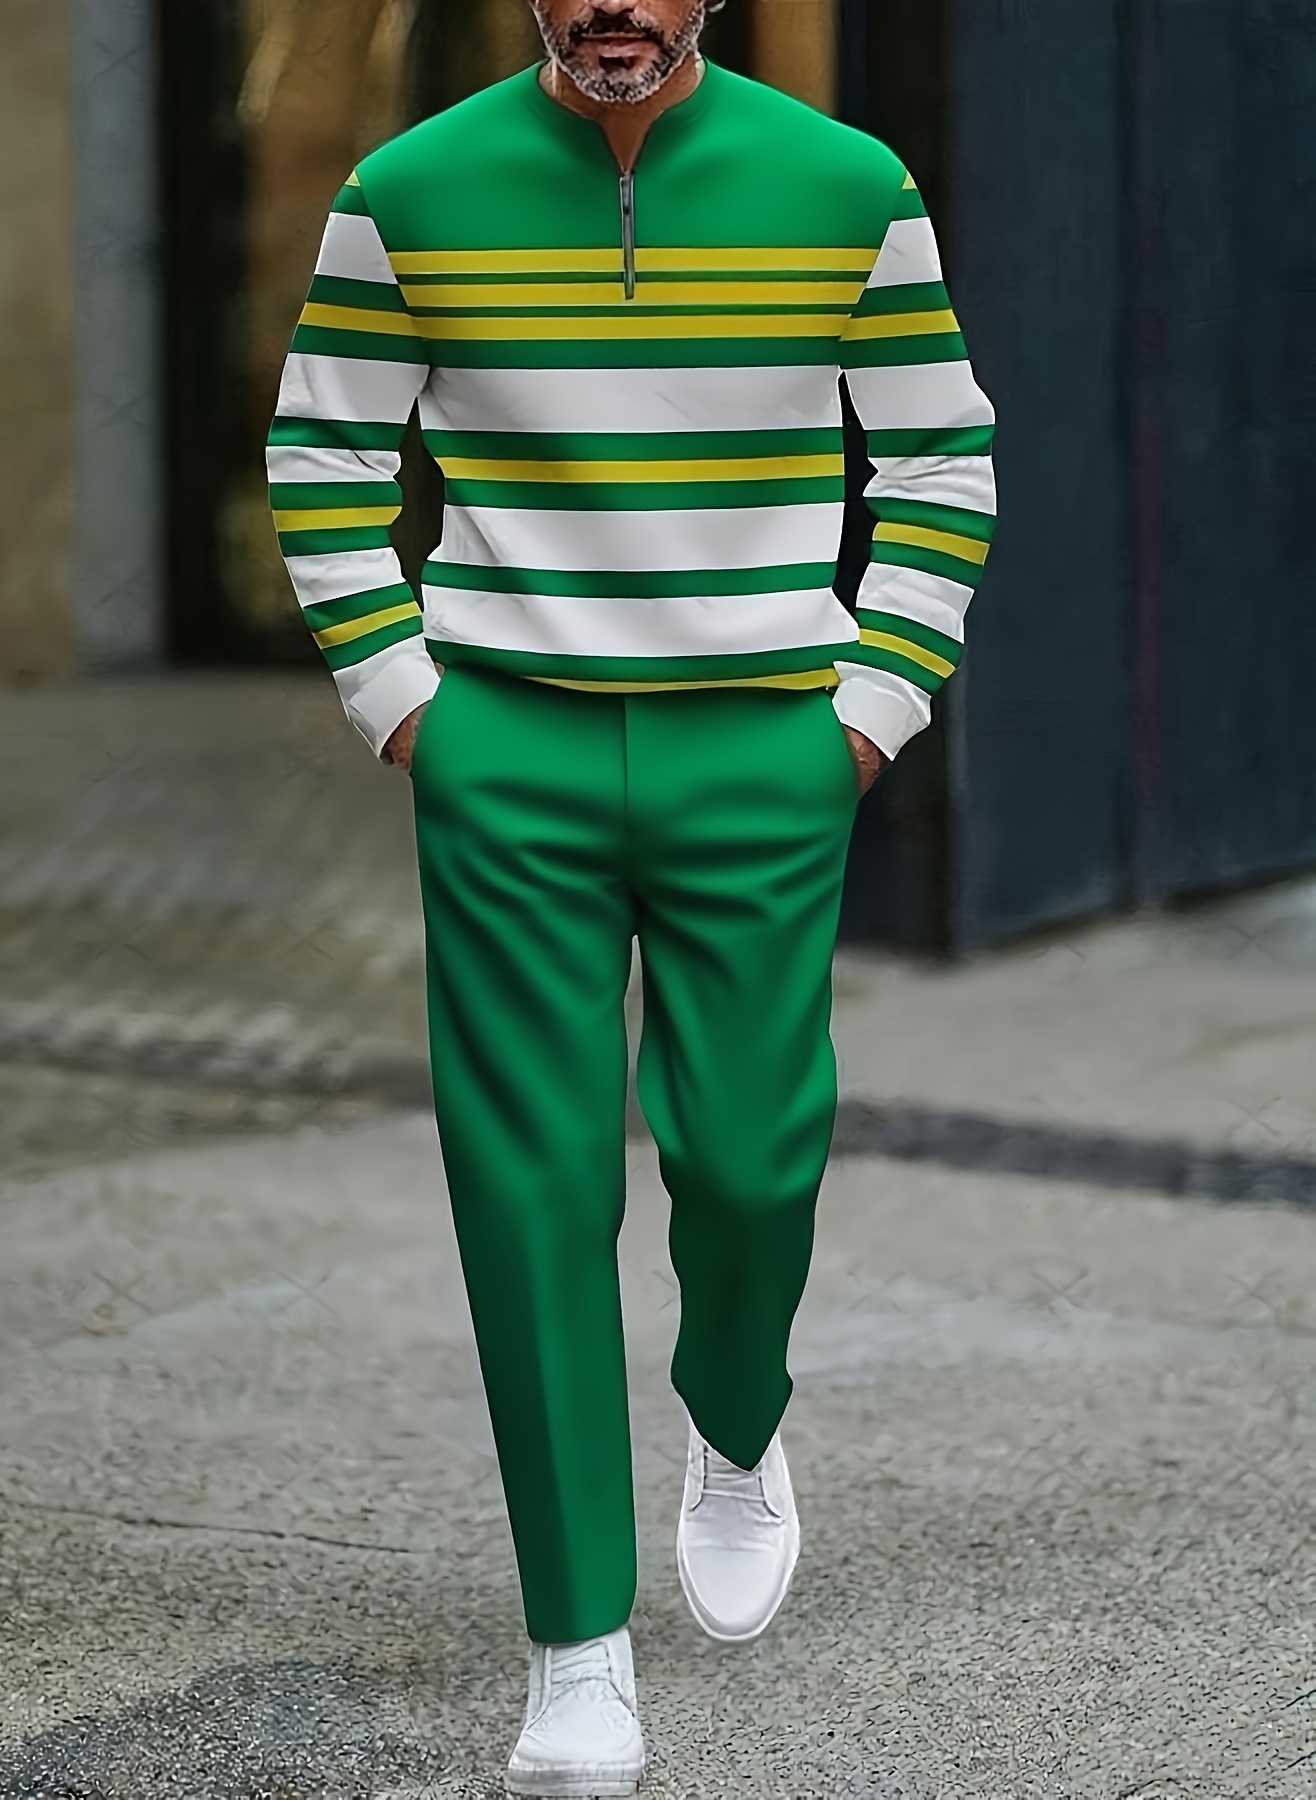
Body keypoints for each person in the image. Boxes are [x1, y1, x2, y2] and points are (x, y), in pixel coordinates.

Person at [268, 1, 995, 1791]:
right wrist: (404, 705)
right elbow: (323, 455)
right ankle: (575, 1646)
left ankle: (734, 1419)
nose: (616, 0)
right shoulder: (405, 186)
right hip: (503, 745)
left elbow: (936, 459)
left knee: (748, 1156)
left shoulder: (847, 183)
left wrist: (871, 711)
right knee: (526, 1189)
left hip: (765, 746)